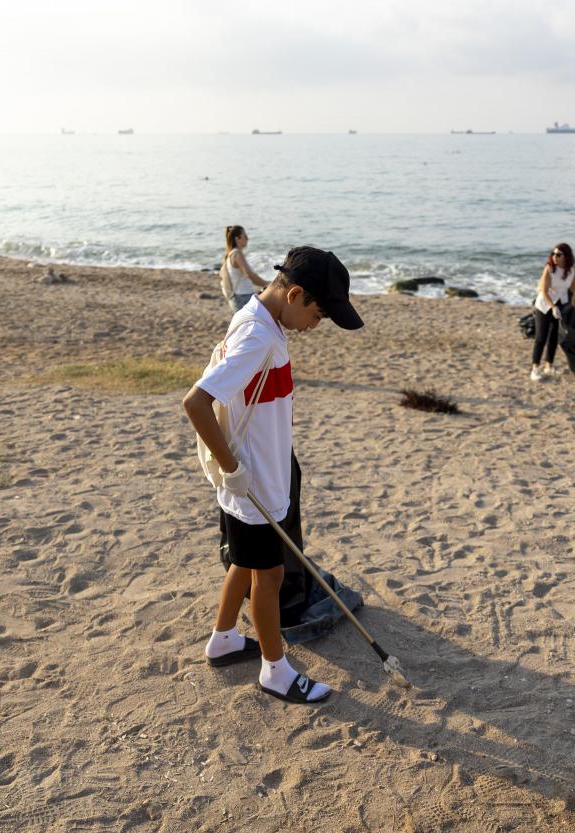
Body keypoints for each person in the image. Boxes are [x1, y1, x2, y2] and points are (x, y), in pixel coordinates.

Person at [184, 246, 363, 705]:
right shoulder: (258, 338)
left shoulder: (260, 320)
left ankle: (223, 639)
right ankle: (275, 671)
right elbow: (196, 403)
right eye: (318, 315)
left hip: (263, 473)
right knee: (269, 578)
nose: (315, 326)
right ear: (296, 294)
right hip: (255, 481)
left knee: (245, 566)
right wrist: (233, 469)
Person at [530, 243, 575, 381]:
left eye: (558, 255)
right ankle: (535, 369)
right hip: (545, 305)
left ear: (566, 256)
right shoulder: (549, 268)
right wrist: (552, 307)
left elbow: (573, 288)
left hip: (561, 304)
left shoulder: (572, 269)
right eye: (553, 254)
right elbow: (543, 291)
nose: (554, 257)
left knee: (554, 337)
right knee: (540, 338)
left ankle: (548, 366)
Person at [221, 225, 266, 313]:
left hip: (241, 297)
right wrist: (268, 284)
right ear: (237, 238)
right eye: (245, 236)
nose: (247, 239)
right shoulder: (237, 254)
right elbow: (250, 275)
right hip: (242, 298)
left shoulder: (232, 253)